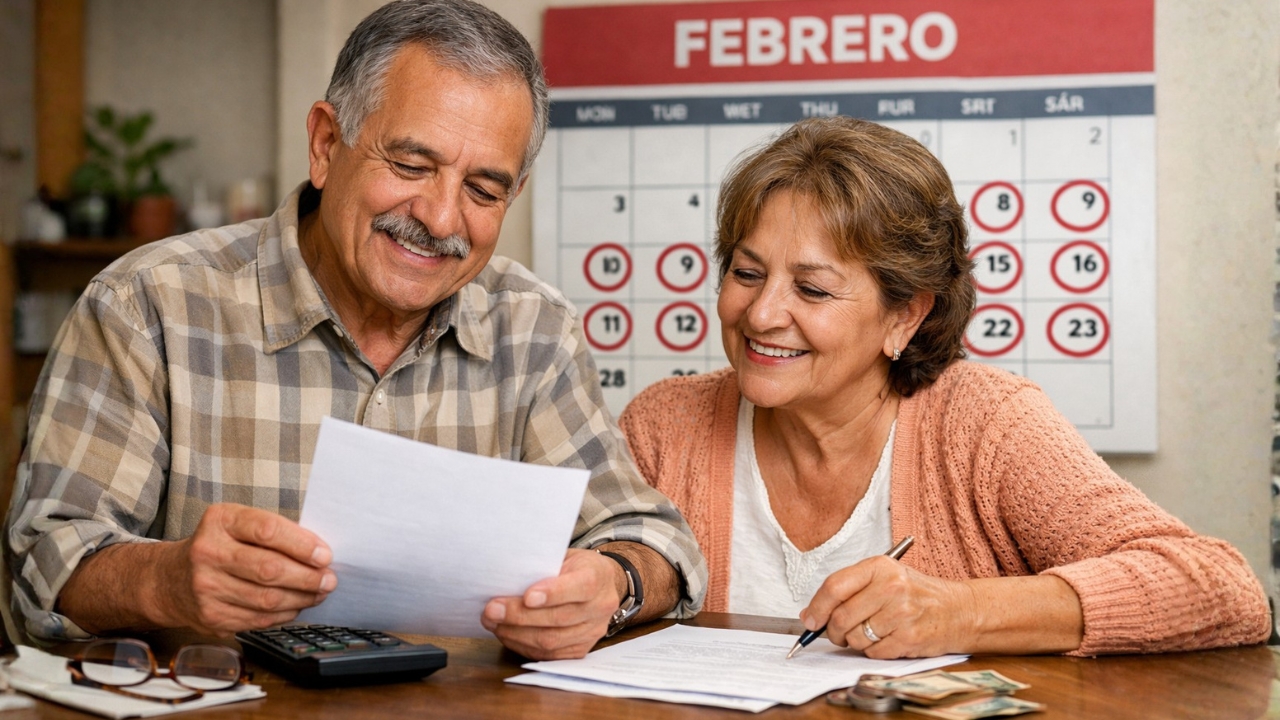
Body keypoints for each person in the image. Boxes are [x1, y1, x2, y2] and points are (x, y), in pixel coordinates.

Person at [5, 0, 706, 660]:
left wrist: (614, 584)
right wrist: (166, 579)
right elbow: (42, 564)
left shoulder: (534, 328)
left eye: (483, 190)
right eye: (410, 165)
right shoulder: (147, 305)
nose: (439, 218)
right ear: (325, 143)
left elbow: (652, 538)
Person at [619, 116, 1270, 658]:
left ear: (906, 315)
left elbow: (1222, 590)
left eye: (812, 289)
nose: (760, 315)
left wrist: (962, 612)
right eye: (746, 272)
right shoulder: (662, 425)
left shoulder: (983, 422)